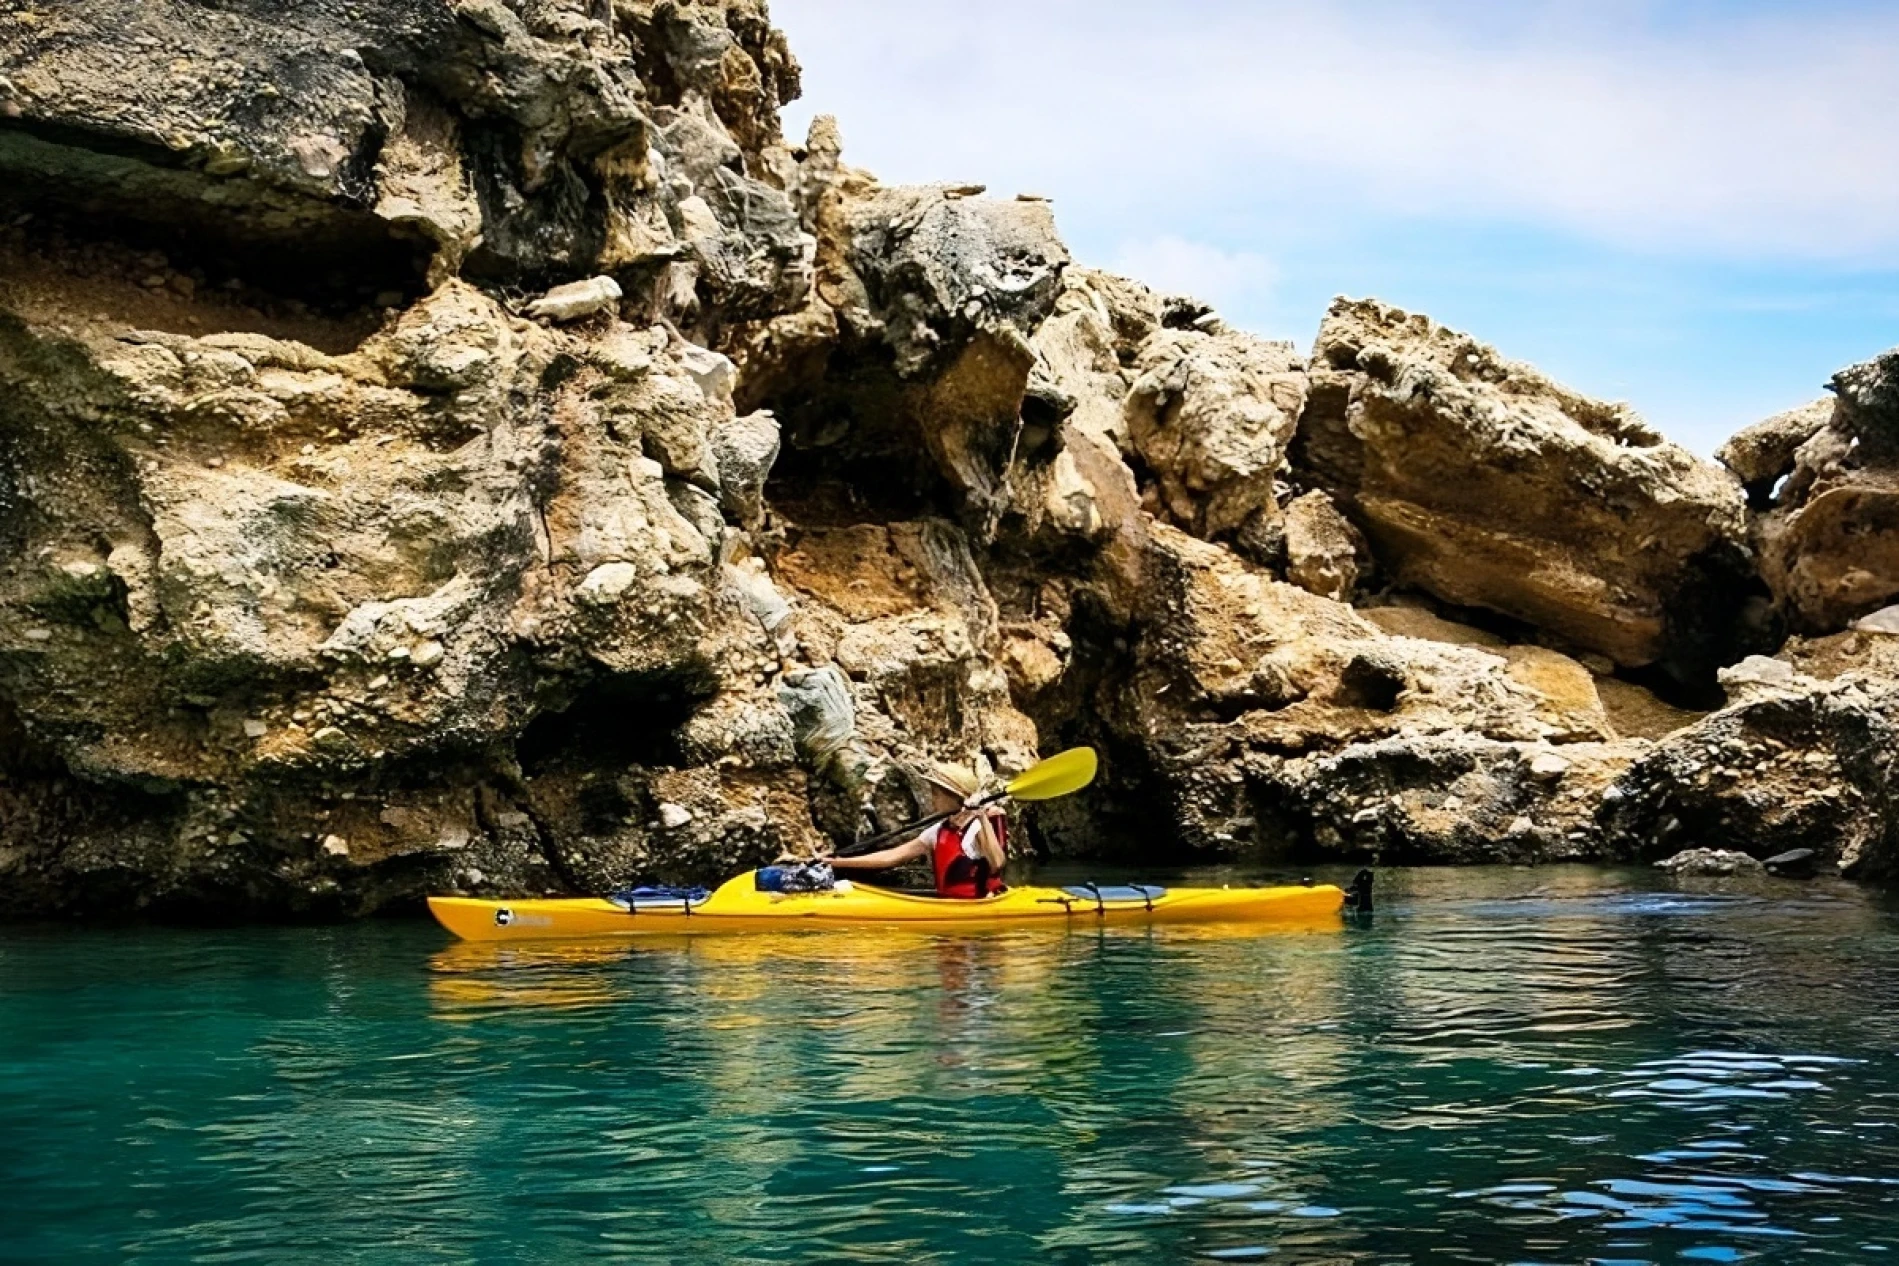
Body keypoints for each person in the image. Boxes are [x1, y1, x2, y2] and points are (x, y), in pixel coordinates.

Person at [827, 763, 1007, 898]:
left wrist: (981, 816)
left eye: (936, 794)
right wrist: (838, 862)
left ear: (955, 797)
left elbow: (997, 862)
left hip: (979, 906)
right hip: (947, 904)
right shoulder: (938, 830)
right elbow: (892, 856)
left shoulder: (976, 827)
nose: (931, 799)